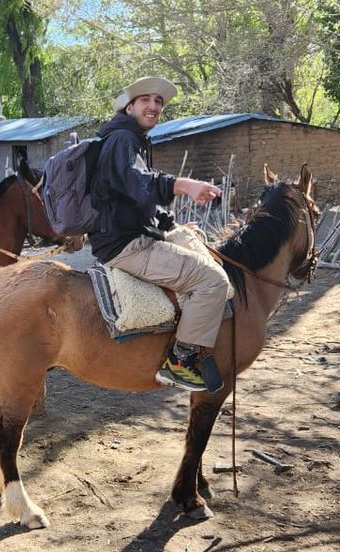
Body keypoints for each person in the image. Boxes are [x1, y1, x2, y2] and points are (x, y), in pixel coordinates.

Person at [90, 76, 230, 392]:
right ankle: (179, 361)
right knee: (213, 281)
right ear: (129, 107)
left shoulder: (130, 139)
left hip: (126, 236)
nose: (153, 106)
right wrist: (184, 185)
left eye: (159, 101)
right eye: (145, 99)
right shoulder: (123, 140)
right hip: (127, 244)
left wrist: (170, 226)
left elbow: (136, 200)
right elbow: (139, 183)